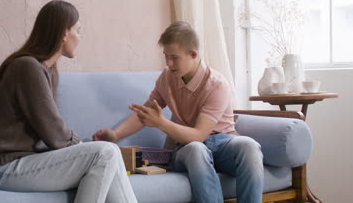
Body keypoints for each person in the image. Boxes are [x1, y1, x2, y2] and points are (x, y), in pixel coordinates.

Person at [0, 0, 137, 203]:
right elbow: (53, 131)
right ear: (64, 33)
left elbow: (52, 135)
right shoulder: (27, 67)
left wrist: (80, 146)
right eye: (78, 31)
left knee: (109, 153)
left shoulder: (48, 71)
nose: (80, 38)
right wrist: (81, 145)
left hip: (25, 161)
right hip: (3, 168)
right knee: (105, 153)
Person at [93, 21, 264, 203]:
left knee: (250, 146)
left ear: (193, 54)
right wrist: (115, 134)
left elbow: (199, 134)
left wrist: (161, 123)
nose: (169, 63)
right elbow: (146, 113)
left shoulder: (217, 85)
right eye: (166, 56)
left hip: (222, 143)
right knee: (197, 150)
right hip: (187, 149)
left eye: (174, 57)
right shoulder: (167, 77)